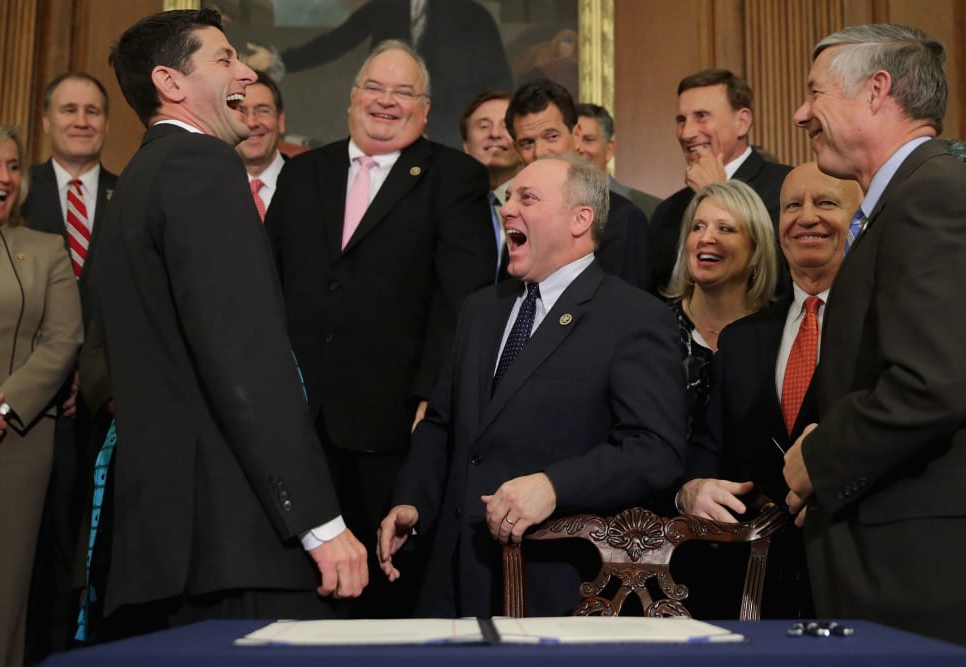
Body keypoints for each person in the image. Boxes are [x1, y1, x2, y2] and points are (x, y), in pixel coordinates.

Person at [89, 8, 367, 636]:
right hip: (233, 537)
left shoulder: (136, 180)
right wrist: (320, 524)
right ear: (171, 82)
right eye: (224, 59)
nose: (246, 70)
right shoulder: (201, 167)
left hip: (169, 544)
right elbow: (244, 360)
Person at [377, 153, 686, 618]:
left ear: (580, 219)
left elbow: (655, 451)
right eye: (507, 198)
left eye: (528, 198)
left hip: (555, 587)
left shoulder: (634, 318)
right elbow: (442, 423)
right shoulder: (479, 310)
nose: (507, 209)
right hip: (452, 580)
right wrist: (412, 501)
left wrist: (554, 486)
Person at [264, 40, 493, 617]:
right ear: (352, 98)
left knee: (387, 588)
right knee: (297, 587)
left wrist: (431, 397)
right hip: (298, 420)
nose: (386, 102)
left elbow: (461, 302)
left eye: (403, 92)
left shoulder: (456, 178)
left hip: (394, 425)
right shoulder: (301, 174)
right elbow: (267, 288)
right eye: (375, 88)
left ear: (425, 107)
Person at [784, 24, 966, 645]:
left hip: (919, 570)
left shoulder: (933, 195)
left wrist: (820, 457)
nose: (802, 113)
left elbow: (930, 384)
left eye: (815, 94)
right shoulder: (906, 200)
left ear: (876, 91)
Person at [678, 162, 862, 619]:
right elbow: (707, 444)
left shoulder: (880, 325)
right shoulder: (742, 338)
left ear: (860, 221)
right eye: (791, 206)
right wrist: (692, 487)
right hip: (749, 591)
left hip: (854, 579)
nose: (806, 217)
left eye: (826, 203)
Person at [0, 122, 83, 667]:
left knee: (1, 608)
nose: (5, 176)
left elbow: (63, 340)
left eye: (13, 166)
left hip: (13, 448)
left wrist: (1, 409)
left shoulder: (46, 249)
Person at [20, 71, 118, 661]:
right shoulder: (13, 188)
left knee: (87, 546)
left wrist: (98, 378)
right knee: (31, 549)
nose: (82, 120)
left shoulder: (132, 193)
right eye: (69, 110)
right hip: (28, 403)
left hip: (106, 406)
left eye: (93, 111)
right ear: (48, 121)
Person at [242, 0, 513, 148]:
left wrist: (501, 124)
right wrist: (281, 60)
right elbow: (336, 41)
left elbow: (498, 79)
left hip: (450, 130)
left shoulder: (472, 14)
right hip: (391, 124)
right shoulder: (387, 7)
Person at [649, 70, 792, 295]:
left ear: (742, 123)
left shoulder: (786, 188)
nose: (687, 133)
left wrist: (715, 196)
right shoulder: (667, 212)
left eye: (701, 116)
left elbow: (783, 279)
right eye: (681, 120)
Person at [505, 79, 653, 291]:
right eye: (527, 143)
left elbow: (628, 312)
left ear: (576, 136)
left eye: (551, 137)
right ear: (516, 150)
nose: (540, 152)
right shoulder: (515, 218)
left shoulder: (622, 218)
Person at [661, 180, 778, 439]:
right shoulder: (652, 327)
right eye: (697, 227)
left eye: (725, 228)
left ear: (756, 248)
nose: (706, 238)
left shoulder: (781, 332)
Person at [460, 89, 521, 281]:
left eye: (506, 126)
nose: (495, 134)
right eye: (484, 126)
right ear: (466, 145)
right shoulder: (450, 205)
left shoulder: (541, 205)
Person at [575, 102, 660, 218]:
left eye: (588, 140)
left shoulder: (649, 209)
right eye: (573, 140)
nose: (578, 148)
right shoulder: (548, 205)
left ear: (609, 150)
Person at [234, 70, 286, 220]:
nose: (251, 123)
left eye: (262, 111)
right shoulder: (208, 188)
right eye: (240, 111)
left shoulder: (311, 185)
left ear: (280, 120)